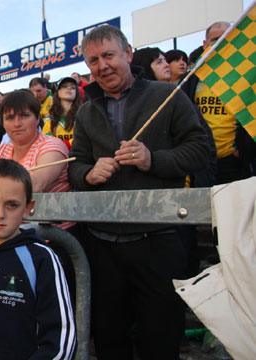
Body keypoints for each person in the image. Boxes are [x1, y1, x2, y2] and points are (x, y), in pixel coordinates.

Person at [68, 25, 209, 360]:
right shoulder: (86, 111)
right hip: (101, 245)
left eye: (109, 56)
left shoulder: (167, 96)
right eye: (93, 60)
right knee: (110, 338)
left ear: (128, 54)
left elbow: (200, 149)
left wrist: (153, 159)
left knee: (159, 340)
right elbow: (75, 167)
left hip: (158, 239)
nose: (101, 66)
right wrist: (89, 173)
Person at [0, 159, 76, 359]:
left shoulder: (42, 259)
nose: (0, 214)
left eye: (12, 205)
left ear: (28, 208)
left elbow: (60, 340)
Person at [182, 21, 254, 184]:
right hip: (201, 162)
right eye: (215, 39)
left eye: (227, 38)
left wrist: (242, 151)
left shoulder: (246, 76)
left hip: (233, 163)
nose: (222, 43)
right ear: (205, 44)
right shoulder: (192, 78)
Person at [43, 77, 82, 150]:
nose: (69, 88)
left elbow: (83, 140)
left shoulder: (83, 116)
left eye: (73, 87)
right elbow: (49, 145)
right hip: (59, 158)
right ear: (57, 92)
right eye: (64, 86)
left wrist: (63, 145)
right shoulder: (50, 121)